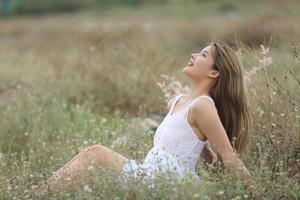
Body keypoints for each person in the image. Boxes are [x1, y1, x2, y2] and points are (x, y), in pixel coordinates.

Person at [38, 41, 256, 194]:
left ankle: (38, 195)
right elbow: (201, 150)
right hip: (152, 175)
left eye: (203, 55)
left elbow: (229, 156)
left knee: (95, 154)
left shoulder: (203, 105)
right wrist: (212, 169)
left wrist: (257, 193)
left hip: (169, 182)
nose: (193, 56)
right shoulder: (179, 101)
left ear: (214, 73)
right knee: (92, 179)